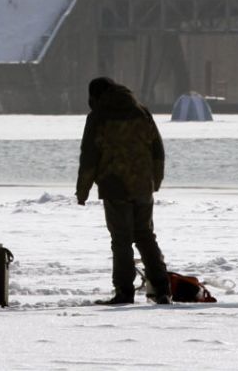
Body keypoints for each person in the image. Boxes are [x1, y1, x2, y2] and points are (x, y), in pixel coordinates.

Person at [76, 77, 172, 305]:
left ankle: (124, 292)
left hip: (114, 185)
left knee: (121, 241)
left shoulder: (98, 117)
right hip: (142, 186)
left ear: (95, 96)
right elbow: (157, 150)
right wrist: (154, 181)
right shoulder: (141, 112)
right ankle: (162, 290)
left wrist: (83, 190)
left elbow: (89, 157)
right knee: (146, 237)